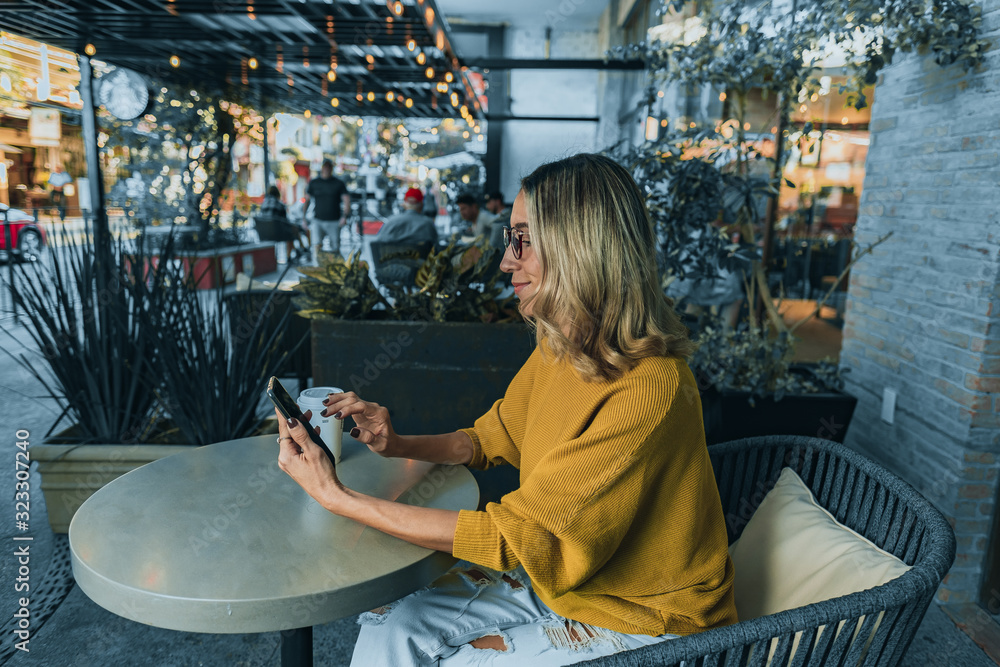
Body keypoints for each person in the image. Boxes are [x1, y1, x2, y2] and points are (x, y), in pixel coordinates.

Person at [275, 153, 737, 666]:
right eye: (508, 239)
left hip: (647, 619)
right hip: (561, 582)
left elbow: (517, 538)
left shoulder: (652, 388)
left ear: (580, 247)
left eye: (524, 239)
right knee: (391, 629)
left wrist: (337, 498)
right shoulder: (564, 345)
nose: (505, 261)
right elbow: (492, 437)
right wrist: (395, 442)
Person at [303, 158, 351, 261]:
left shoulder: (338, 183)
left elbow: (346, 200)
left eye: (329, 167)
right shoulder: (314, 183)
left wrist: (345, 216)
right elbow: (306, 200)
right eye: (325, 166)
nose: (327, 169)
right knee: (316, 245)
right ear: (322, 167)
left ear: (332, 168)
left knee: (335, 247)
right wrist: (304, 218)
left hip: (334, 220)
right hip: (318, 220)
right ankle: (317, 269)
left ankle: (335, 269)